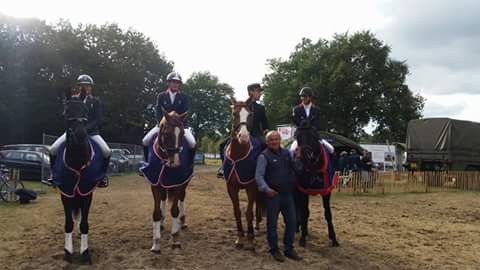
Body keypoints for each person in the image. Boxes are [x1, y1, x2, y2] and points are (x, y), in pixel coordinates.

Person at [49, 74, 111, 187]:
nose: (85, 88)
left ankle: (102, 177)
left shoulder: (95, 101)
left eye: (87, 86)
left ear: (91, 87)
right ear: (78, 87)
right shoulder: (73, 99)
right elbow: (66, 115)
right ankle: (53, 175)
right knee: (53, 149)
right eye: (82, 86)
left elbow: (96, 120)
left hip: (91, 133)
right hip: (72, 131)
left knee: (106, 151)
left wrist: (84, 130)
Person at [255, 131, 302, 262]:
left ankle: (289, 249)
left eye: (276, 139)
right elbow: (258, 176)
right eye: (271, 140)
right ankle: (274, 250)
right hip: (273, 196)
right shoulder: (263, 156)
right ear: (267, 142)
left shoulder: (287, 154)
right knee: (272, 225)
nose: (274, 142)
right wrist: (266, 189)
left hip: (287, 195)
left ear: (280, 140)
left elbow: (297, 170)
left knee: (292, 223)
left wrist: (298, 158)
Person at [217, 83, 269, 178]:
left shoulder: (261, 108)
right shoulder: (241, 105)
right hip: (240, 132)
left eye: (260, 91)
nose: (260, 93)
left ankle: (267, 170)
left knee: (266, 146)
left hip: (256, 133)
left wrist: (266, 132)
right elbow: (235, 120)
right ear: (251, 92)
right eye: (258, 91)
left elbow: (265, 123)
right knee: (222, 145)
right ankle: (224, 168)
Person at [142, 71, 196, 161]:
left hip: (180, 126)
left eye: (177, 82)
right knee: (145, 141)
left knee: (192, 143)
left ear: (179, 84)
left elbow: (186, 112)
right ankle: (146, 162)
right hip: (163, 125)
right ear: (169, 83)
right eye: (173, 82)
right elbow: (158, 111)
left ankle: (189, 164)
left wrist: (180, 123)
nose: (175, 84)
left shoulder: (184, 97)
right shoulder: (161, 96)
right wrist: (160, 123)